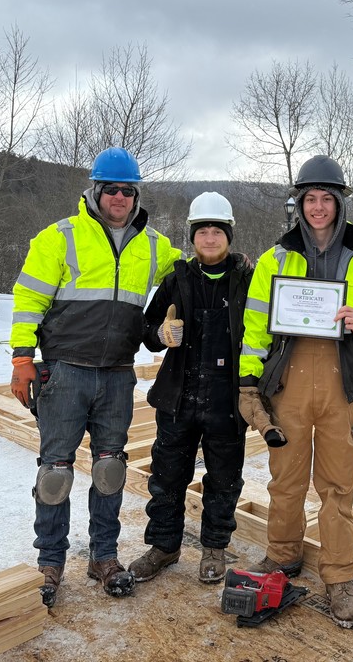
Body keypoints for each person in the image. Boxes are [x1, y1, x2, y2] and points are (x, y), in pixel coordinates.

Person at [9, 146, 181, 607]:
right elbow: (28, 298)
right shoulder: (59, 237)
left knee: (110, 470)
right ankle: (50, 561)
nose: (120, 198)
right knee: (55, 473)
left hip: (117, 376)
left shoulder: (152, 245)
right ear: (96, 191)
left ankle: (104, 557)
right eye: (112, 190)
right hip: (65, 373)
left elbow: (192, 267)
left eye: (129, 190)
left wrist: (233, 264)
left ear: (136, 194)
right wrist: (22, 357)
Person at [238, 156, 353, 629]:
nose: (318, 207)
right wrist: (249, 379)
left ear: (340, 202)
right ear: (299, 203)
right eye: (310, 198)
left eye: (327, 198)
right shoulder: (277, 257)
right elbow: (254, 324)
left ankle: (340, 577)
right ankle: (282, 556)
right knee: (285, 477)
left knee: (337, 484)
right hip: (288, 379)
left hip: (340, 379)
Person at [127, 192, 254, 585]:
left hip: (227, 400)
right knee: (166, 476)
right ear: (193, 237)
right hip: (178, 396)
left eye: (218, 230)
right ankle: (164, 547)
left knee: (224, 478)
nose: (211, 238)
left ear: (229, 235)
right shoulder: (177, 279)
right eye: (203, 231)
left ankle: (214, 547)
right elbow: (145, 330)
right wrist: (160, 334)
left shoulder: (248, 280)